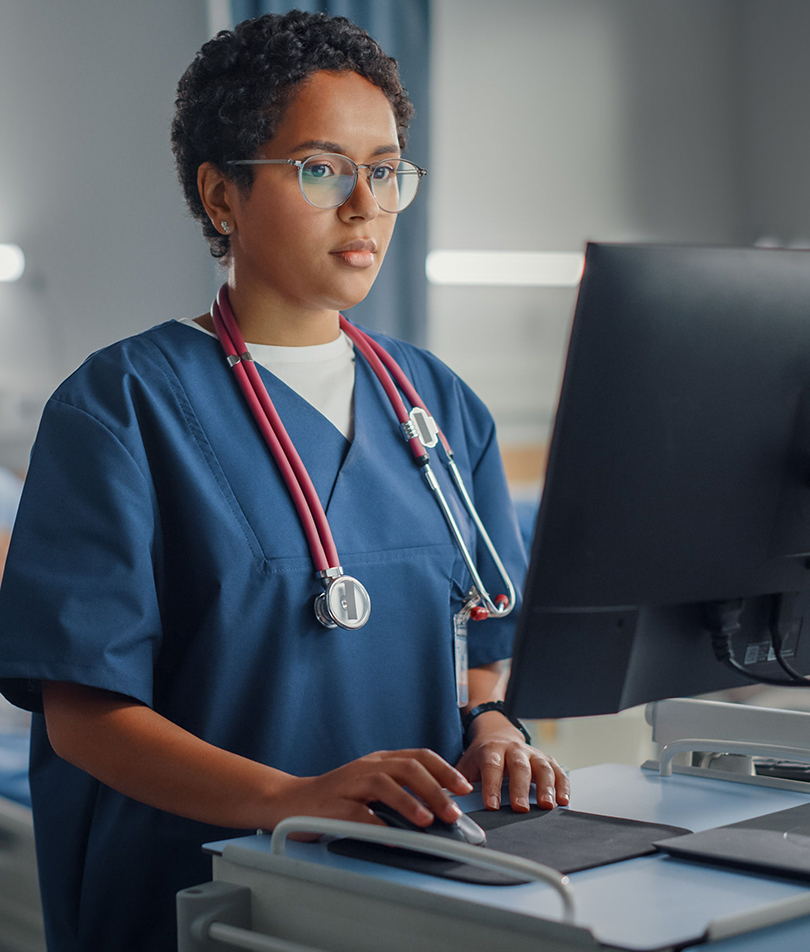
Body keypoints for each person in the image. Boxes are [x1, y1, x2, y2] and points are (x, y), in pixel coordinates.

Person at [0, 11, 568, 951]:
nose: (365, 203)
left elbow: (479, 647)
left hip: (412, 887)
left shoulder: (439, 404)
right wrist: (291, 800)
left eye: (385, 169)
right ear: (221, 195)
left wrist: (496, 730)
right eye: (321, 167)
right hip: (199, 896)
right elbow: (84, 717)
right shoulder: (120, 406)